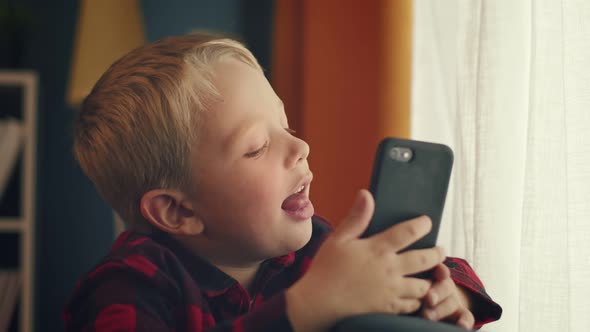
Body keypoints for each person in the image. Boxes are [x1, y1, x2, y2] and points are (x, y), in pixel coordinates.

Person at [64, 33, 501, 331]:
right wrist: (306, 309)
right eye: (256, 147)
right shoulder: (128, 285)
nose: (301, 147)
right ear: (179, 210)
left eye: (287, 127)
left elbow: (427, 271)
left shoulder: (318, 255)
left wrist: (450, 294)